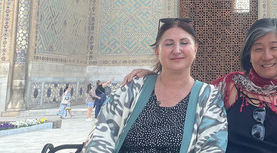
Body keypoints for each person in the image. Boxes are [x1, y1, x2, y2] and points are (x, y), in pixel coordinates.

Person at [124, 18, 277, 153]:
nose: (267, 56)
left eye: (274, 47)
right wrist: (159, 76)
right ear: (249, 54)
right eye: (258, 49)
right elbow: (190, 94)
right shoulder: (231, 85)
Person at [84, 18, 227, 152]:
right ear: (157, 52)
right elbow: (101, 134)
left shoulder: (208, 97)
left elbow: (212, 146)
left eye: (184, 43)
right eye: (169, 44)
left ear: (195, 49)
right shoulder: (133, 88)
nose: (177, 50)